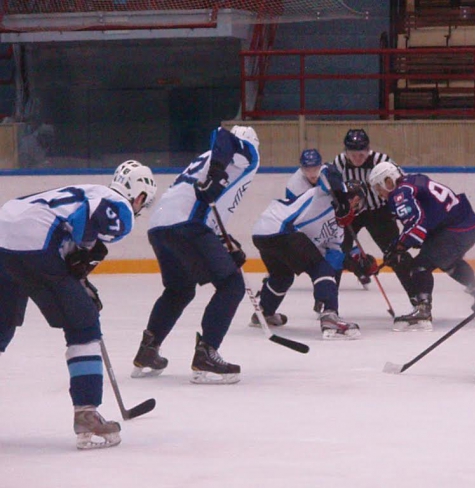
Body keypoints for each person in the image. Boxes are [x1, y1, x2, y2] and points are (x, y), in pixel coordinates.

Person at [0, 160, 157, 449]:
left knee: (2, 321)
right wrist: (84, 251)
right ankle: (87, 416)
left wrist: (79, 274)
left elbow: (63, 233)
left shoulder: (88, 189)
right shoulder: (119, 207)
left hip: (4, 238)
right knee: (84, 324)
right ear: (140, 195)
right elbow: (88, 219)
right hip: (38, 244)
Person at [131, 126, 260, 385]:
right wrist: (217, 174)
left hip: (160, 226)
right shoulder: (246, 155)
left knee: (179, 290)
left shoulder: (206, 160)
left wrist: (228, 246)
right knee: (232, 284)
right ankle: (206, 354)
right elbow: (222, 134)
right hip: (187, 224)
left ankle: (148, 351)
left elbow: (209, 212)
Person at [250, 165, 368, 340]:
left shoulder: (338, 229)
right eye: (357, 203)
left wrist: (354, 268)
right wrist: (342, 199)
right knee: (319, 266)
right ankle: (330, 318)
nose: (357, 208)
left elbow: (333, 262)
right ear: (353, 197)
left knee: (282, 276)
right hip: (280, 226)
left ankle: (264, 313)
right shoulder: (326, 194)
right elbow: (327, 170)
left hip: (264, 233)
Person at [368, 161, 475, 331]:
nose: (379, 194)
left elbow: (417, 223)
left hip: (456, 230)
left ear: (388, 180)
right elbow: (429, 215)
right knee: (447, 261)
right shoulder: (414, 180)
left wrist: (399, 246)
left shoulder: (400, 193)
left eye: (379, 188)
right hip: (466, 225)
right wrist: (402, 244)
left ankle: (423, 312)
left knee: (420, 266)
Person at [330, 128, 416, 297]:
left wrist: (395, 209)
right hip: (351, 214)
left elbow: (402, 184)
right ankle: (328, 299)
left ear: (368, 150)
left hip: (379, 212)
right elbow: (332, 190)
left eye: (361, 154)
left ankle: (417, 296)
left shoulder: (382, 161)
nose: (357, 159)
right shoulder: (339, 163)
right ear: (346, 152)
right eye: (352, 155)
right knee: (337, 252)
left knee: (395, 253)